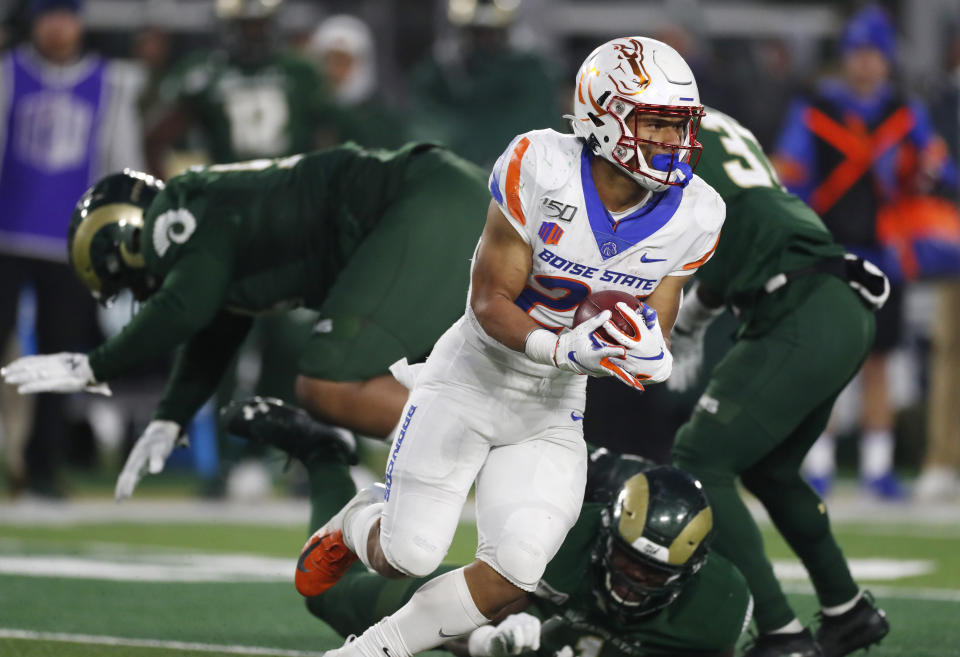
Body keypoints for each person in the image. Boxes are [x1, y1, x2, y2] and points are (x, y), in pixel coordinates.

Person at [294, 36, 725, 657]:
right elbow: (490, 301)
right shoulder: (540, 165)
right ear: (603, 116)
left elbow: (653, 318)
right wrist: (562, 347)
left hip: (552, 408)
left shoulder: (696, 212)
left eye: (678, 126)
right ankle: (356, 523)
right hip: (472, 377)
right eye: (656, 123)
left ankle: (366, 653)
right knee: (408, 553)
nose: (670, 142)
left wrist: (646, 354)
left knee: (515, 574)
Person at [0, 142, 491, 499]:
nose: (140, 294)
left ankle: (498, 457)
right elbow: (212, 330)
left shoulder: (182, 209)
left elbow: (185, 310)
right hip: (438, 198)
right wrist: (171, 415)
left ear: (126, 244)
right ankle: (519, 450)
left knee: (330, 380)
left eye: (125, 282)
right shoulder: (209, 241)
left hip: (420, 205)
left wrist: (94, 366)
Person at [639, 105, 889, 657]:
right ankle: (848, 611)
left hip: (797, 304)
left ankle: (781, 633)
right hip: (833, 301)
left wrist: (688, 324)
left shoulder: (668, 143)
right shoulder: (727, 129)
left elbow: (714, 236)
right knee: (770, 470)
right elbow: (743, 223)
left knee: (700, 458)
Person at [230, 407, 751, 657]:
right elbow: (476, 609)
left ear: (691, 572)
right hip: (518, 603)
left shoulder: (718, 610)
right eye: (628, 560)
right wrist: (487, 639)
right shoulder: (569, 535)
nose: (633, 580)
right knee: (327, 597)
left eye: (651, 571)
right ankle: (325, 456)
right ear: (607, 535)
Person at [772, 4, 954, 499]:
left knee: (879, 361)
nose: (865, 63)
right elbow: (789, 175)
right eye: (857, 53)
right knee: (826, 359)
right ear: (846, 59)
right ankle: (820, 464)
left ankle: (878, 467)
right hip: (827, 248)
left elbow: (935, 169)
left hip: (884, 252)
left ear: (887, 60)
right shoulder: (815, 110)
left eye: (874, 54)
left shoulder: (904, 112)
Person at [0, 0, 144, 496]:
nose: (58, 28)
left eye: (65, 16)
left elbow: (121, 165)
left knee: (61, 363)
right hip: (7, 238)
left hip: (70, 245)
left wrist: (119, 238)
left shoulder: (111, 82)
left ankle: (44, 469)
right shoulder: (8, 73)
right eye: (48, 17)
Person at [145, 0, 332, 174]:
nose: (254, 34)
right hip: (228, 192)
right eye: (246, 26)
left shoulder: (300, 71)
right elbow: (157, 138)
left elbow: (330, 134)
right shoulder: (205, 73)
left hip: (289, 189)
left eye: (260, 25)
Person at [406, 0, 562, 169]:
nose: (485, 41)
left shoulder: (533, 75)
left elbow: (537, 128)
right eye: (477, 33)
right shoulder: (438, 77)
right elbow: (426, 129)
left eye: (491, 33)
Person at [304, 14, 408, 150]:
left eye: (342, 62)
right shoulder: (307, 112)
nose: (332, 71)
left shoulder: (379, 120)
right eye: (326, 60)